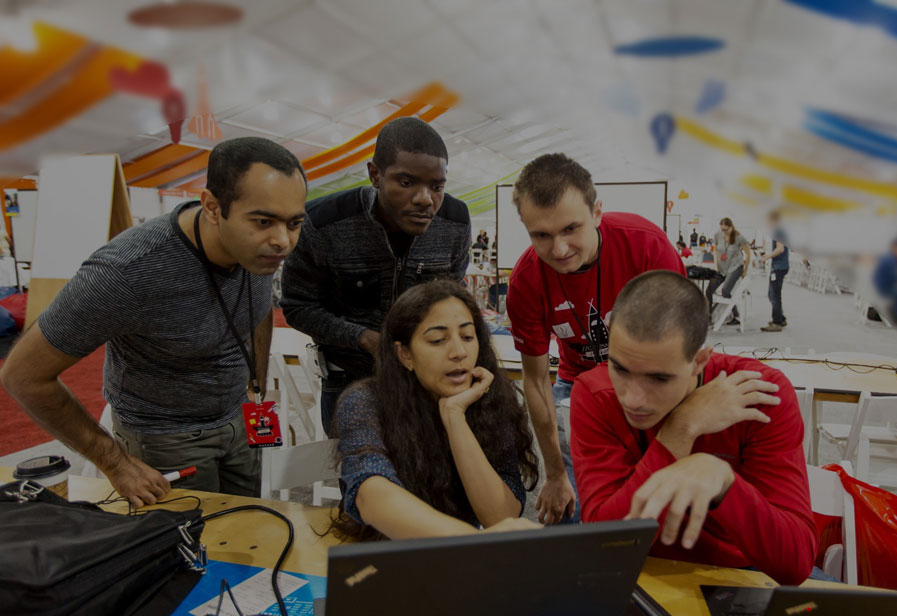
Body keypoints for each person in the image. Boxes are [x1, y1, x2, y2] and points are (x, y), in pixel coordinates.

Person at [0, 137, 307, 505]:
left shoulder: (258, 253)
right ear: (212, 207)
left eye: (294, 223)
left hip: (239, 421)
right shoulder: (127, 271)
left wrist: (255, 381)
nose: (283, 241)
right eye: (264, 221)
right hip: (166, 439)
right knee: (189, 548)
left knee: (251, 536)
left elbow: (256, 314)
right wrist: (116, 463)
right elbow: (23, 375)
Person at [570, 271, 815, 585]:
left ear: (699, 362)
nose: (632, 398)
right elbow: (605, 545)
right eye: (619, 368)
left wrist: (725, 483)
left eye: (659, 379)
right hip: (642, 570)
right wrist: (681, 429)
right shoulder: (594, 394)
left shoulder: (759, 393)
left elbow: (795, 564)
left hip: (740, 575)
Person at [506, 153, 685, 525]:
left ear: (597, 213)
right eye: (541, 235)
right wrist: (555, 476)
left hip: (648, 378)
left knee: (660, 506)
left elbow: (682, 353)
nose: (558, 250)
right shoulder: (526, 281)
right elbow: (537, 381)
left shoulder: (647, 246)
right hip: (577, 384)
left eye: (571, 228)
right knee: (575, 514)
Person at [281, 117, 471, 437]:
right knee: (365, 482)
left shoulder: (454, 221)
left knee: (432, 482)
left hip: (427, 382)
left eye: (437, 186)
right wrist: (363, 338)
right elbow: (298, 306)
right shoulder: (323, 223)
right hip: (351, 382)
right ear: (375, 175)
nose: (425, 199)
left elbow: (454, 299)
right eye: (407, 182)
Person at [330, 281, 540, 540]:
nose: (459, 352)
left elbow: (500, 517)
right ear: (405, 354)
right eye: (438, 340)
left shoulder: (491, 400)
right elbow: (371, 495)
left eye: (467, 337)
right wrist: (470, 543)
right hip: (385, 553)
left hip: (457, 558)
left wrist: (454, 417)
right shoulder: (366, 401)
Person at [706, 217, 750, 326]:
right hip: (721, 268)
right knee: (709, 290)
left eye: (726, 229)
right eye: (722, 229)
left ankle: (736, 316)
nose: (724, 232)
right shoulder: (718, 235)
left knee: (726, 291)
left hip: (735, 267)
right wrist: (715, 265)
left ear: (731, 227)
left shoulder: (739, 238)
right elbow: (715, 250)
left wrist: (745, 271)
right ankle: (708, 317)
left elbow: (748, 254)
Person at [762, 210, 790, 332]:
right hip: (780, 266)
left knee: (774, 295)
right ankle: (781, 318)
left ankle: (777, 322)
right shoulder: (781, 230)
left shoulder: (778, 231)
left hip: (779, 267)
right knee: (774, 294)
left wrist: (767, 256)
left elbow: (780, 249)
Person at [873, 238, 897, 325]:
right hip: (885, 288)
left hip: (881, 285)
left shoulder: (888, 257)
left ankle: (894, 310)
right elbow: (893, 277)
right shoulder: (890, 259)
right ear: (895, 247)